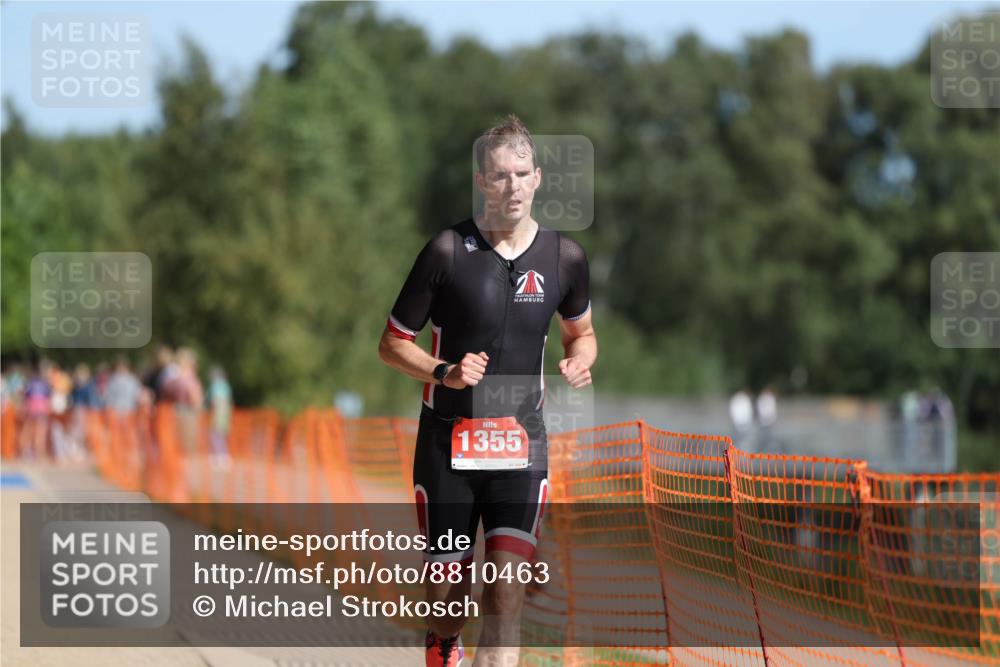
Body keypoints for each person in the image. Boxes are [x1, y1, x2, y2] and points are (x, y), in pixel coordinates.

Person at [378, 115, 596, 667]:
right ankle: (443, 648)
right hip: (447, 444)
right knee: (448, 606)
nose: (513, 186)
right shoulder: (447, 252)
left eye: (522, 173)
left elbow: (583, 334)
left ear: (539, 177)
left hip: (522, 446)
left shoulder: (564, 259)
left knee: (505, 594)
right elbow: (392, 344)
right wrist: (443, 372)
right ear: (481, 181)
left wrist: (579, 361)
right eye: (500, 176)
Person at [207, 365, 232, 468]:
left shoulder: (216, 385)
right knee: (220, 434)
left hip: (219, 411)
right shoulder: (225, 386)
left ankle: (219, 455)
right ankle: (221, 455)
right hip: (224, 411)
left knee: (216, 433)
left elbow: (214, 399)